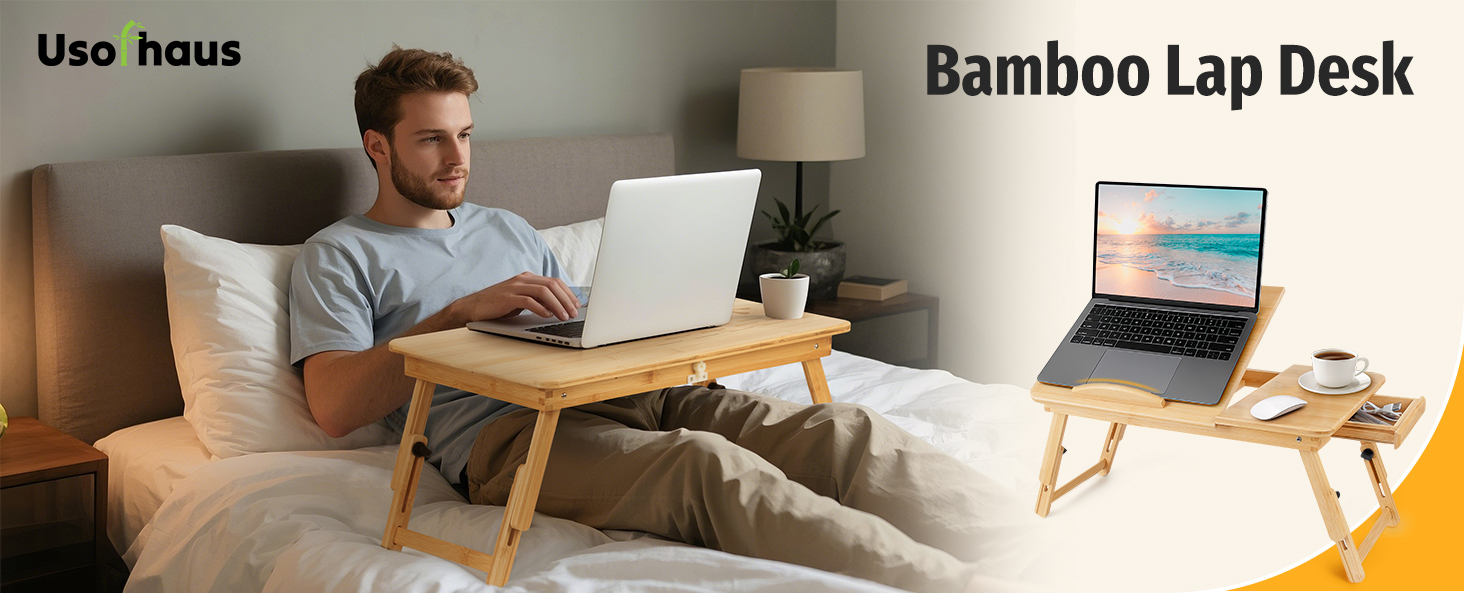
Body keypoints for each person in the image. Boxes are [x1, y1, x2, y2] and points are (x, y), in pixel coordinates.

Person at [289, 46, 1014, 592]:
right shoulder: (340, 254)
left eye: (466, 135)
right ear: (376, 146)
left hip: (624, 391)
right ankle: (964, 586)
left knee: (842, 431)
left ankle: (1028, 544)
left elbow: (576, 318)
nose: (457, 158)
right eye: (432, 140)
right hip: (505, 439)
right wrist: (456, 314)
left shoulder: (507, 227)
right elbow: (333, 407)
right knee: (705, 468)